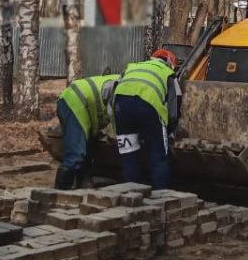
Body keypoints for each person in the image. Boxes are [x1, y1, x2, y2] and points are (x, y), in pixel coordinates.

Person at [112, 49, 181, 190]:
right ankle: (160, 195)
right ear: (171, 64)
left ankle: (131, 193)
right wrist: (169, 129)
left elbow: (114, 89)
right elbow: (175, 103)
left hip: (120, 106)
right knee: (158, 156)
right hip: (148, 106)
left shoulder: (132, 66)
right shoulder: (168, 73)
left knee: (128, 154)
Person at [55, 73, 120, 189]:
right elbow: (113, 112)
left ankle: (82, 187)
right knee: (75, 154)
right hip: (75, 101)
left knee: (90, 150)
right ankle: (59, 192)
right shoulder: (122, 87)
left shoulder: (126, 82)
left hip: (81, 103)